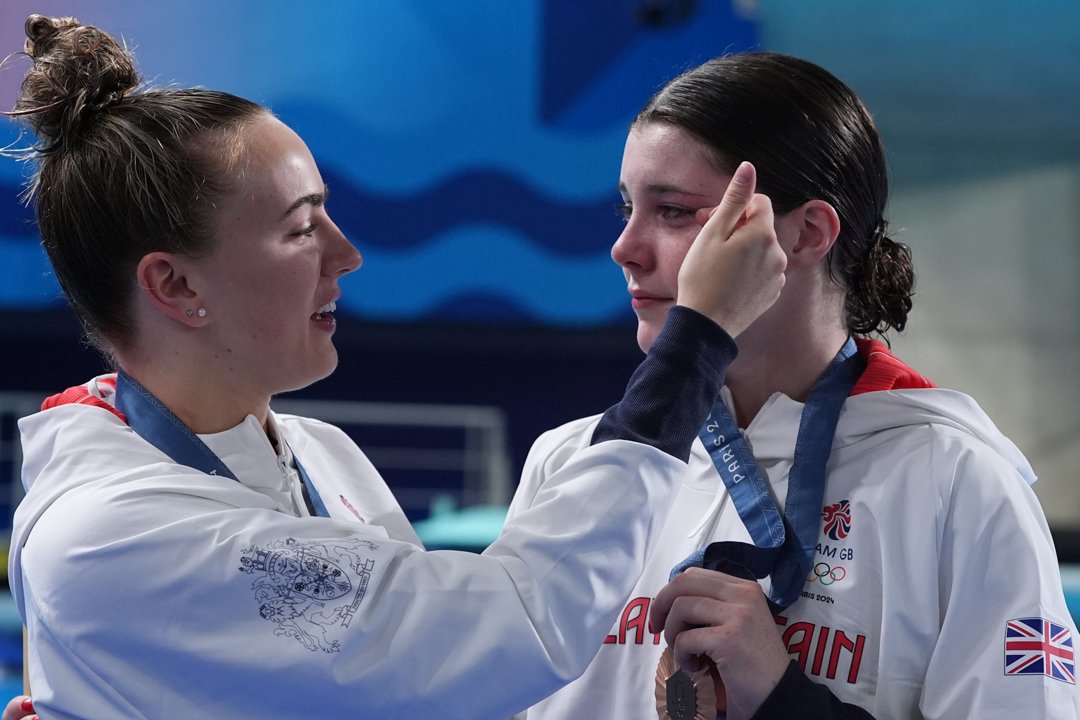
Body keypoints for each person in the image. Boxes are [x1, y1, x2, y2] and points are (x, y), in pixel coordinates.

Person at [2, 15, 788, 720]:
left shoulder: (320, 453)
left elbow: (439, 691)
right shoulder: (112, 534)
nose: (346, 255)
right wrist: (698, 336)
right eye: (301, 228)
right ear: (176, 285)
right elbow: (511, 624)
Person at [508, 52, 1080, 719]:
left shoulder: (953, 479)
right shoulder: (571, 462)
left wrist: (787, 700)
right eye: (627, 208)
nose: (626, 248)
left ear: (806, 233)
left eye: (672, 211)